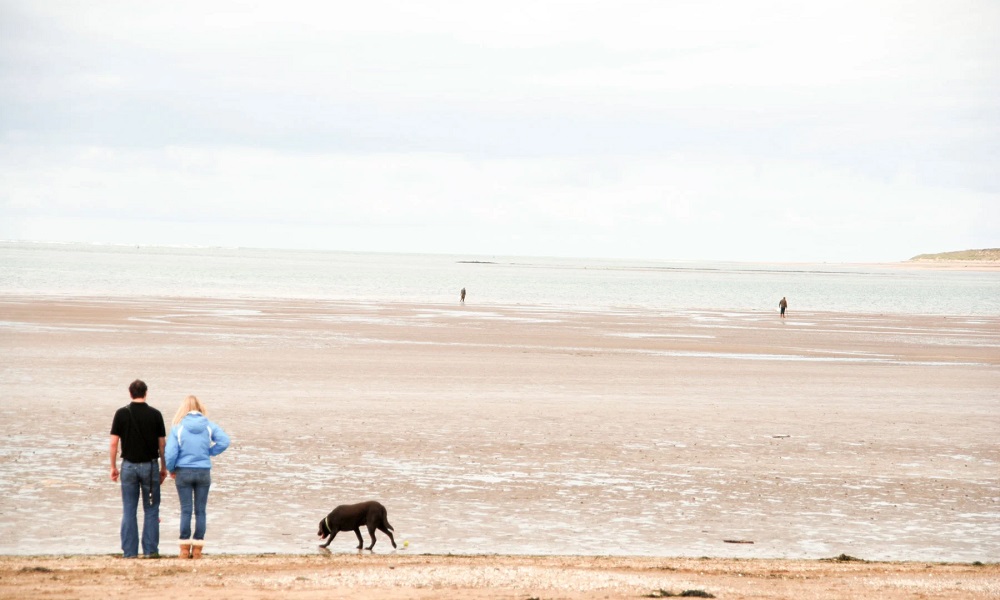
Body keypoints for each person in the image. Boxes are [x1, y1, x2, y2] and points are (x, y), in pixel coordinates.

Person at [165, 395, 231, 559]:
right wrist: (209, 452)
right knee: (201, 511)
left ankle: (184, 548)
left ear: (184, 409)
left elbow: (171, 453)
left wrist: (171, 469)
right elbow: (224, 441)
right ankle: (198, 549)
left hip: (183, 471)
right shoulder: (208, 426)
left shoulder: (178, 427)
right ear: (200, 408)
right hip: (203, 471)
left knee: (186, 510)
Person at [109, 379, 167, 558]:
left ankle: (130, 552)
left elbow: (113, 443)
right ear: (146, 393)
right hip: (150, 466)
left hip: (129, 466)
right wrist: (164, 467)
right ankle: (150, 550)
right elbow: (162, 444)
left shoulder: (121, 413)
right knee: (151, 509)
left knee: (129, 508)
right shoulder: (155, 414)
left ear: (130, 393)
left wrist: (113, 466)